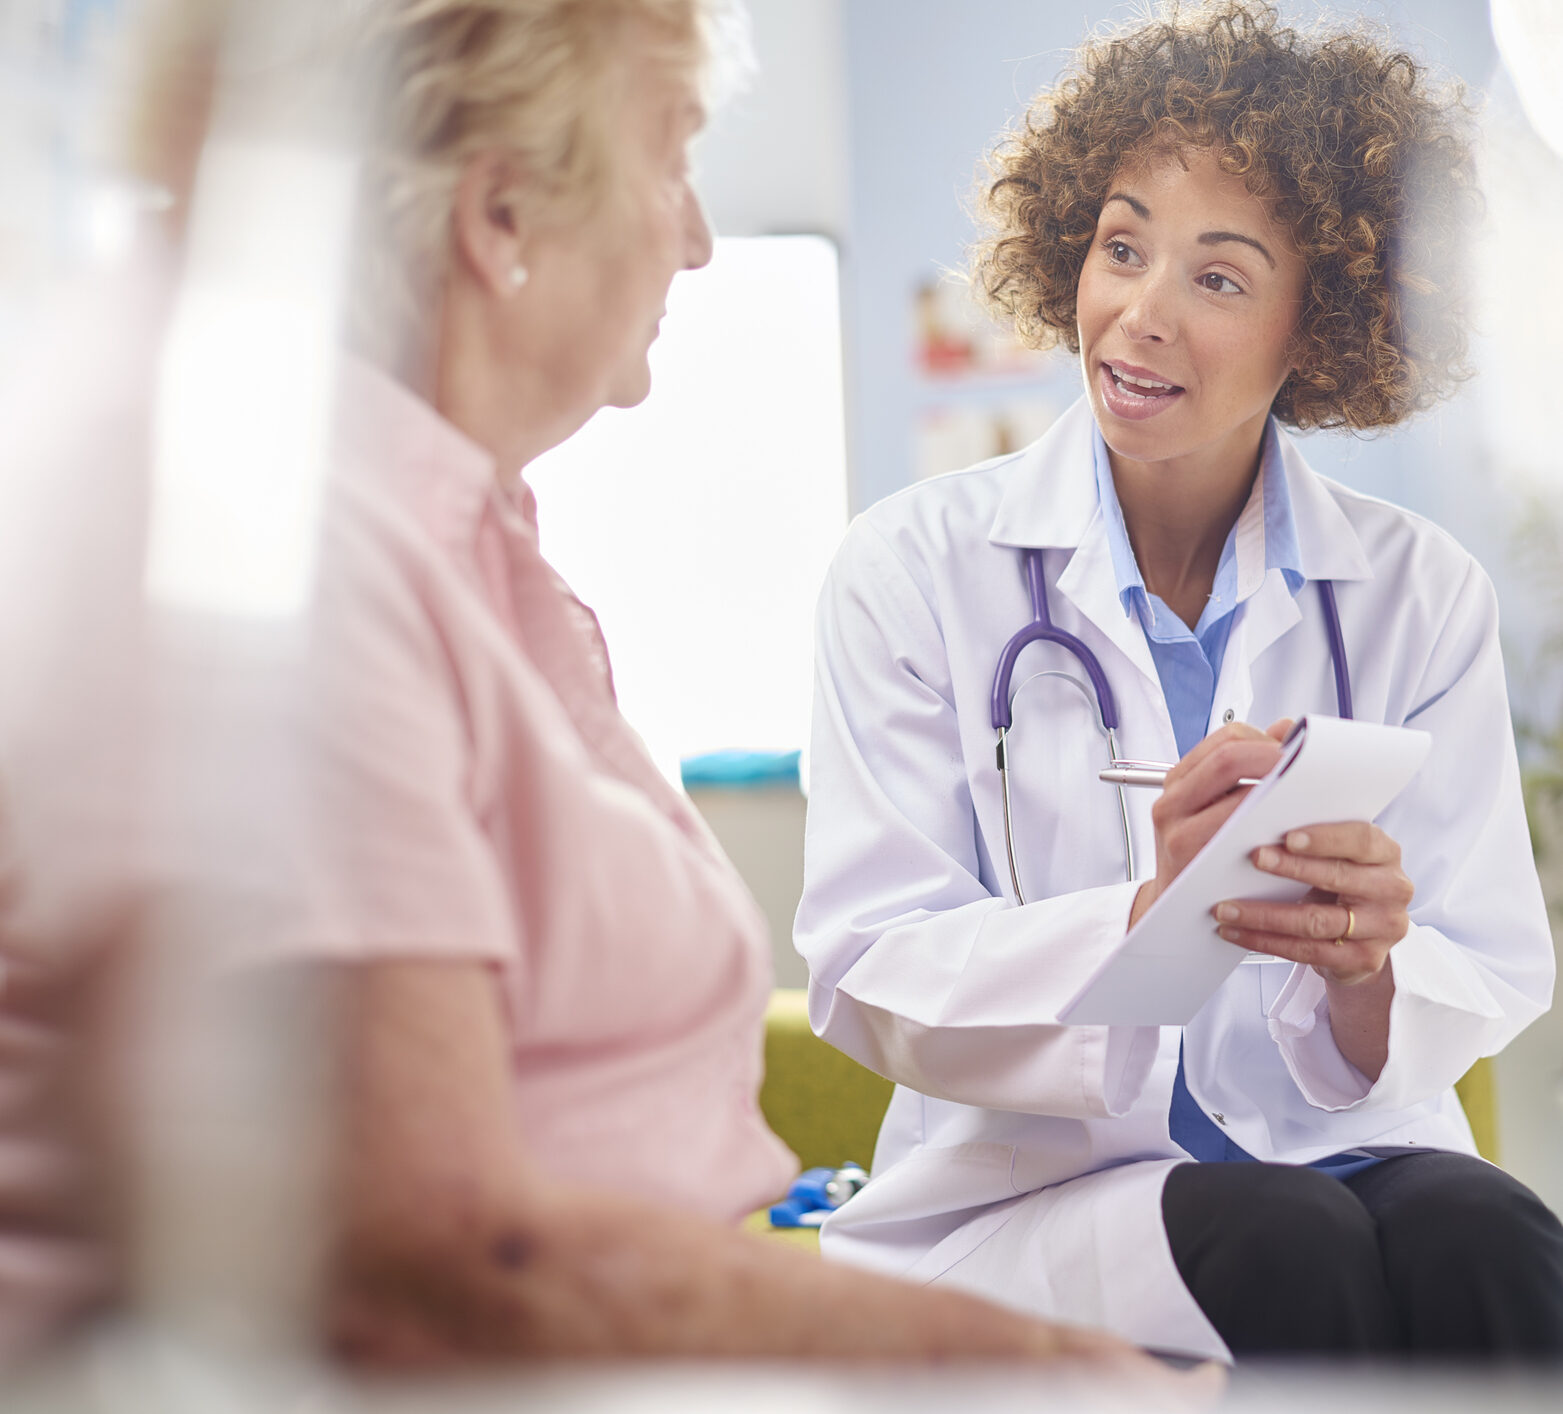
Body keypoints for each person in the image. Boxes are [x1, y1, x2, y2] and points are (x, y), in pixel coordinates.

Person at [1, 0, 1199, 1379]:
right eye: (676, 154)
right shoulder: (264, 534)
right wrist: (1054, 1370)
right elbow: (442, 1267)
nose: (696, 236)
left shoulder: (445, 532)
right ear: (501, 214)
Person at [794, 0, 1563, 1364]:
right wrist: (1140, 921)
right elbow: (869, 962)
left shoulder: (1417, 590)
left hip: (1346, 1136)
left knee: (1494, 1237)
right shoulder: (910, 568)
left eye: (1217, 277)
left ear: (1316, 323)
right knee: (1287, 1245)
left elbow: (1493, 953)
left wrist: (1368, 967)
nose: (1138, 315)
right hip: (1036, 1186)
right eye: (1121, 246)